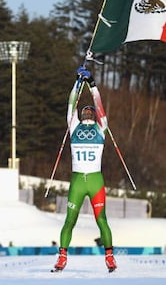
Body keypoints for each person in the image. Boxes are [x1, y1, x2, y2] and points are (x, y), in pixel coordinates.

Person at [53, 66, 117, 273]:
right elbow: (71, 103)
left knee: (102, 220)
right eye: (85, 111)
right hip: (78, 181)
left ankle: (109, 257)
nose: (89, 112)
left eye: (91, 111)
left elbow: (100, 107)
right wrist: (77, 83)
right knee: (69, 220)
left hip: (96, 181)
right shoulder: (74, 126)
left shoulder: (101, 128)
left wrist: (93, 84)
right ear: (81, 115)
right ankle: (62, 257)